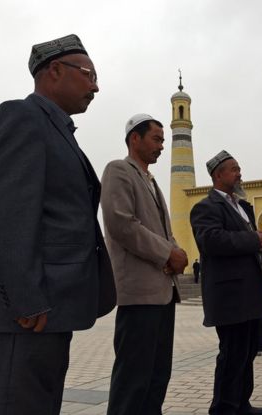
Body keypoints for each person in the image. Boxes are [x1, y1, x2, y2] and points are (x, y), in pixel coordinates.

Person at [0, 34, 116, 414]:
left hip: (47, 309)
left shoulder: (57, 129)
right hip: (23, 313)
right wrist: (26, 298)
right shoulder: (20, 117)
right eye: (89, 74)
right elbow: (5, 214)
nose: (96, 86)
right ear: (54, 71)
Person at [101, 114, 188, 414]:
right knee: (133, 379)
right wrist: (168, 254)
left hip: (163, 292)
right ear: (134, 139)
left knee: (156, 375)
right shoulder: (119, 171)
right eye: (156, 139)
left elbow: (163, 230)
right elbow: (122, 225)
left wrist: (177, 252)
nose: (161, 146)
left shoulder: (150, 181)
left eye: (164, 140)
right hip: (139, 295)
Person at [190, 150, 262, 415]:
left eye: (239, 168)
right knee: (232, 354)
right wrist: (252, 241)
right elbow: (210, 240)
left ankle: (241, 403)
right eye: (234, 169)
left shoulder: (241, 206)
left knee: (247, 353)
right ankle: (223, 408)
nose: (239, 173)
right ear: (218, 175)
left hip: (249, 293)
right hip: (230, 295)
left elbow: (250, 237)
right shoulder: (206, 207)